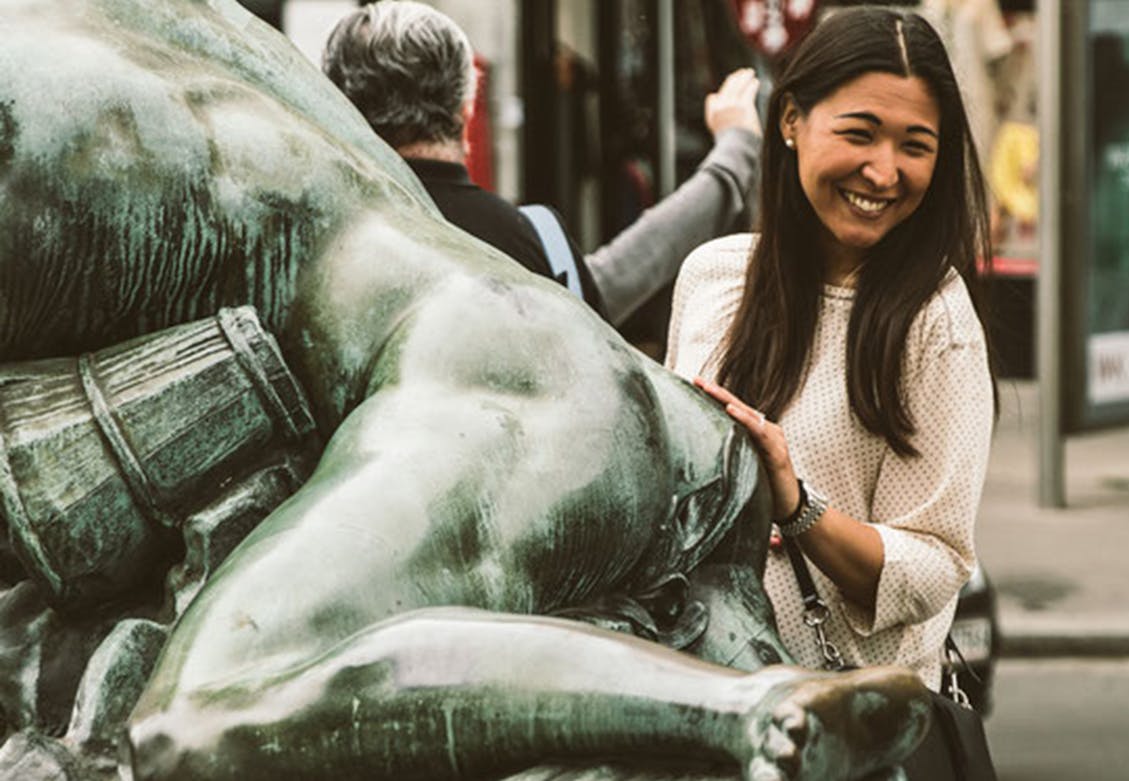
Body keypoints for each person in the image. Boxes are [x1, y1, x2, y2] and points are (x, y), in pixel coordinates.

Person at [0, 2, 930, 778]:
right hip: (568, 388)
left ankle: (752, 712)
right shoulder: (146, 35)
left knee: (200, 719)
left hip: (496, 387)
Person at [666, 6, 997, 694]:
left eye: (916, 145)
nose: (883, 171)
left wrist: (798, 505)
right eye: (860, 133)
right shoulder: (712, 276)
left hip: (846, 731)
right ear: (790, 121)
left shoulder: (936, 320)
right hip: (702, 711)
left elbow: (936, 565)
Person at [321, 0, 762, 327]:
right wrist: (736, 147)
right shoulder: (536, 244)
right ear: (466, 107)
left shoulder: (313, 248)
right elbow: (624, 274)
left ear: (337, 106)